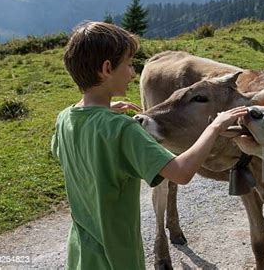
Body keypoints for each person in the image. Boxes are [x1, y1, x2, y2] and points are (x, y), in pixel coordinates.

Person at [51, 21, 247, 269]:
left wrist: (101, 111)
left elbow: (77, 141)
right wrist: (214, 127)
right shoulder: (123, 130)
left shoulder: (65, 119)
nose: (133, 73)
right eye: (129, 64)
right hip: (118, 258)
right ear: (107, 69)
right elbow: (181, 172)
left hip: (81, 255)